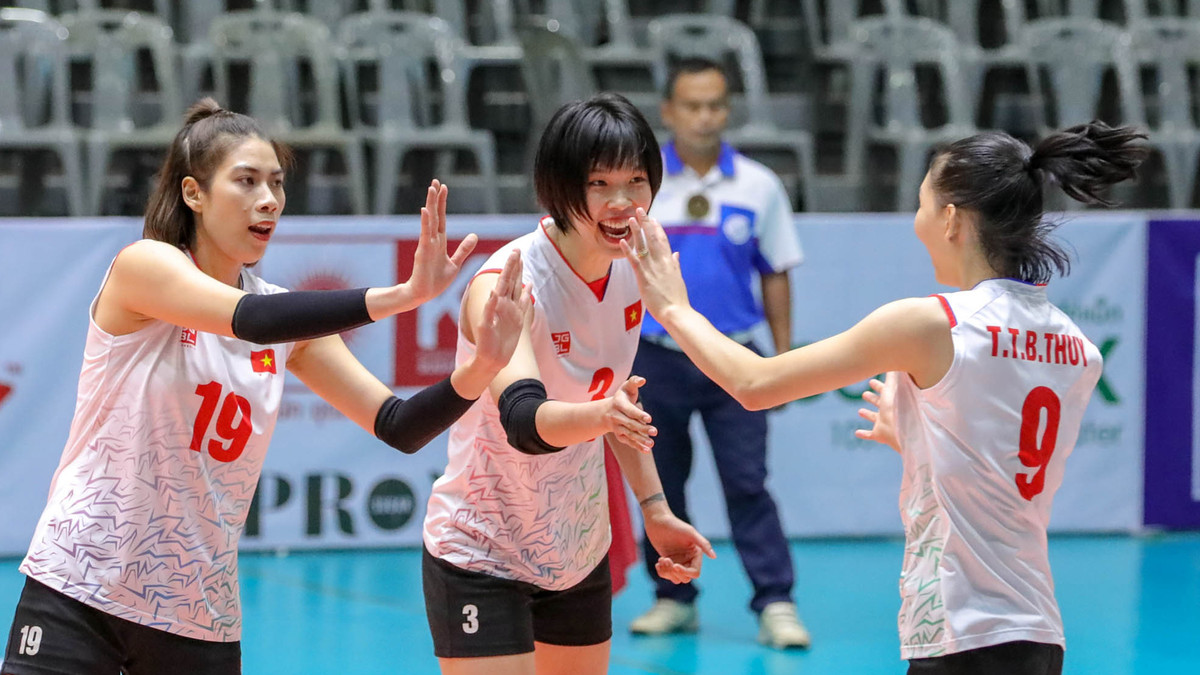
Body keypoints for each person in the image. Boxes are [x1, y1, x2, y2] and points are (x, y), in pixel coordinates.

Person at [1, 98, 528, 675]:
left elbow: (399, 425)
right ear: (193, 193)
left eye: (276, 183)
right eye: (247, 181)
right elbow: (249, 319)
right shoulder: (144, 266)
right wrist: (401, 296)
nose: (270, 199)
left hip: (196, 611)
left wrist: (482, 366)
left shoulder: (284, 322)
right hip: (81, 583)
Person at [621, 121, 1146, 674]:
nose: (917, 222)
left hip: (959, 628)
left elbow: (754, 385)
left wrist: (673, 308)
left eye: (922, 204)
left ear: (951, 219)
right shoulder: (1079, 347)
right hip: (1038, 630)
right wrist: (918, 440)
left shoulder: (932, 323)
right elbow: (1004, 472)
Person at [421, 92, 716, 675]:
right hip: (482, 550)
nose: (622, 202)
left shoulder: (635, 269)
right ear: (558, 187)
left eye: (636, 181)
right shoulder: (507, 282)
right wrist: (604, 414)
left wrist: (655, 509)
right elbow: (524, 422)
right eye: (599, 184)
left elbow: (618, 407)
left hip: (577, 549)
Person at [626, 57, 809, 649]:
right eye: (692, 105)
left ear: (727, 111)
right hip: (654, 360)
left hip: (737, 362)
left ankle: (776, 603)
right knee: (661, 487)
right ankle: (673, 599)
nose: (704, 116)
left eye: (714, 105)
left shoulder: (759, 185)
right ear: (668, 111)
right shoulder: (641, 187)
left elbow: (776, 273)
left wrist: (783, 362)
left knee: (748, 483)